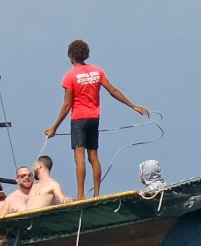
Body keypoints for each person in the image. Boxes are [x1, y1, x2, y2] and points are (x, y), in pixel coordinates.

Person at [45, 39, 149, 200]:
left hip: (79, 119)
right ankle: (97, 194)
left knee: (79, 157)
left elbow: (67, 105)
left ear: (71, 56)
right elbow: (113, 90)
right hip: (94, 118)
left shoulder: (70, 76)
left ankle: (80, 195)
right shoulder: (97, 71)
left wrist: (54, 127)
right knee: (93, 157)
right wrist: (133, 106)